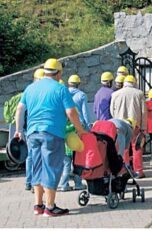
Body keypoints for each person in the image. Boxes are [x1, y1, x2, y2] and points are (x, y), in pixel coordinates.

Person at [14, 58, 87, 217]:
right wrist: (80, 130)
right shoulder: (61, 89)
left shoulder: (30, 88)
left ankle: (38, 205)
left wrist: (19, 130)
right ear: (59, 73)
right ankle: (50, 207)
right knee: (52, 168)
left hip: (32, 133)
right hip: (52, 134)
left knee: (37, 167)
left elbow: (19, 109)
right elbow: (71, 112)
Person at [3, 68, 44, 191]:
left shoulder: (27, 91)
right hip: (35, 128)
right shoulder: (37, 93)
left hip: (26, 129)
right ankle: (36, 183)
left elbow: (20, 111)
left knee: (30, 156)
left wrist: (19, 129)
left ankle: (29, 182)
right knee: (38, 156)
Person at [110, 75, 147, 178]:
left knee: (123, 148)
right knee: (137, 148)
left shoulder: (115, 94)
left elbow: (112, 111)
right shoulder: (139, 94)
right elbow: (143, 112)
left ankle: (124, 170)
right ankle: (138, 170)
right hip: (135, 125)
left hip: (119, 125)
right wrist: (144, 127)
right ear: (134, 83)